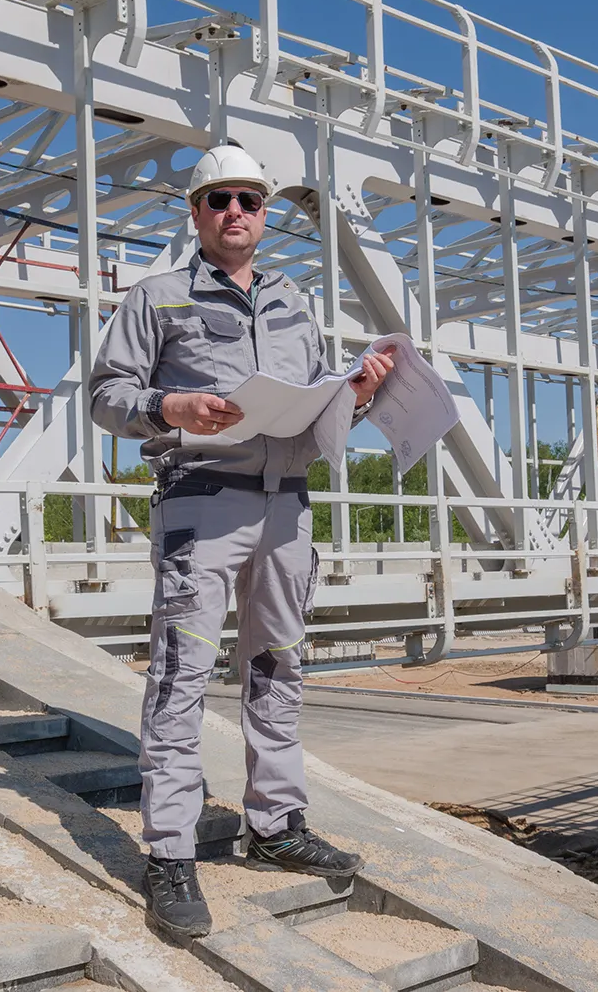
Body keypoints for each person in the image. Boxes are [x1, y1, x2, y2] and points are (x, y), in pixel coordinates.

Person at [88, 145, 394, 937]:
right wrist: (170, 406)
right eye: (219, 198)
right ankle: (169, 848)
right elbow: (106, 394)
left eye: (250, 200)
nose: (235, 211)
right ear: (195, 213)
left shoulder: (294, 302)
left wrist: (356, 395)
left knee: (278, 669)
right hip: (203, 507)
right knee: (182, 675)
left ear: (264, 214)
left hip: (287, 510)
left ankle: (276, 826)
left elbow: (319, 405)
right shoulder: (157, 298)